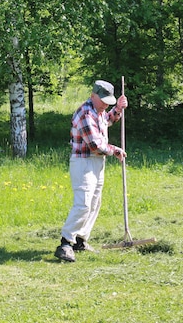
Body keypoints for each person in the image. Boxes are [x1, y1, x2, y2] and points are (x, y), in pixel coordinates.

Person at [54, 80, 128, 262]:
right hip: (83, 162)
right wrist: (115, 150)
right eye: (103, 100)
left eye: (108, 101)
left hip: (97, 162)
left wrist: (117, 110)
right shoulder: (85, 113)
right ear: (92, 95)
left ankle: (81, 240)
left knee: (95, 202)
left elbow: (107, 121)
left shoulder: (99, 111)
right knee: (83, 203)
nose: (105, 105)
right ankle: (65, 243)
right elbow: (95, 144)